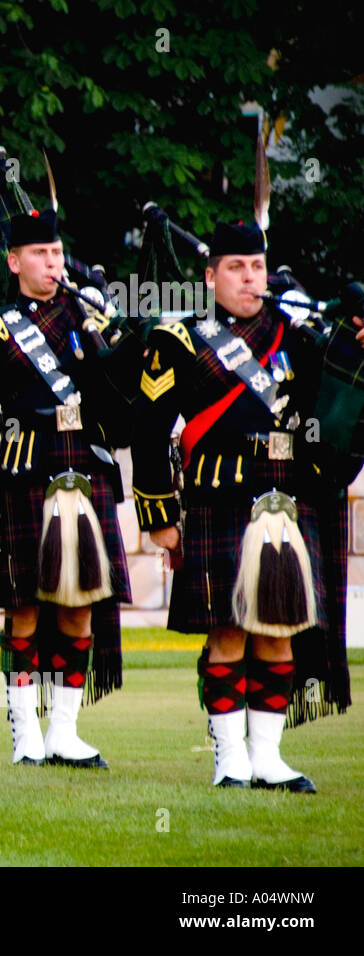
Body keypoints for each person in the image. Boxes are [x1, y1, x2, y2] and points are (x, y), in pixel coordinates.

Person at [132, 219, 354, 791]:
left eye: (256, 266)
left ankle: (268, 759)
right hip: (218, 497)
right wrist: (159, 516)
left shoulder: (299, 336)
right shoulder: (179, 341)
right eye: (235, 267)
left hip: (285, 498)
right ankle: (229, 758)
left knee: (278, 629)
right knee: (227, 629)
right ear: (211, 278)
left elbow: (334, 401)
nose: (249, 277)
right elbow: (151, 432)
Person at [0, 207, 131, 770]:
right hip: (23, 471)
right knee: (23, 606)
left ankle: (64, 731)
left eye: (57, 253)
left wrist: (105, 326)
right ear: (15, 262)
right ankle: (24, 733)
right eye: (40, 254)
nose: (51, 263)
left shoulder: (88, 316)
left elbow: (121, 392)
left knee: (79, 604)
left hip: (83, 472)